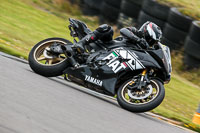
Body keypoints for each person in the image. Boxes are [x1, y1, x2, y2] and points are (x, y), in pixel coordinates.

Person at [75, 21, 162, 51]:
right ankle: (81, 43)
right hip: (109, 45)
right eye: (152, 41)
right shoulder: (136, 32)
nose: (151, 43)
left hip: (118, 60)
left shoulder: (145, 48)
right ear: (147, 34)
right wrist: (138, 40)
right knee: (108, 28)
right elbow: (123, 30)